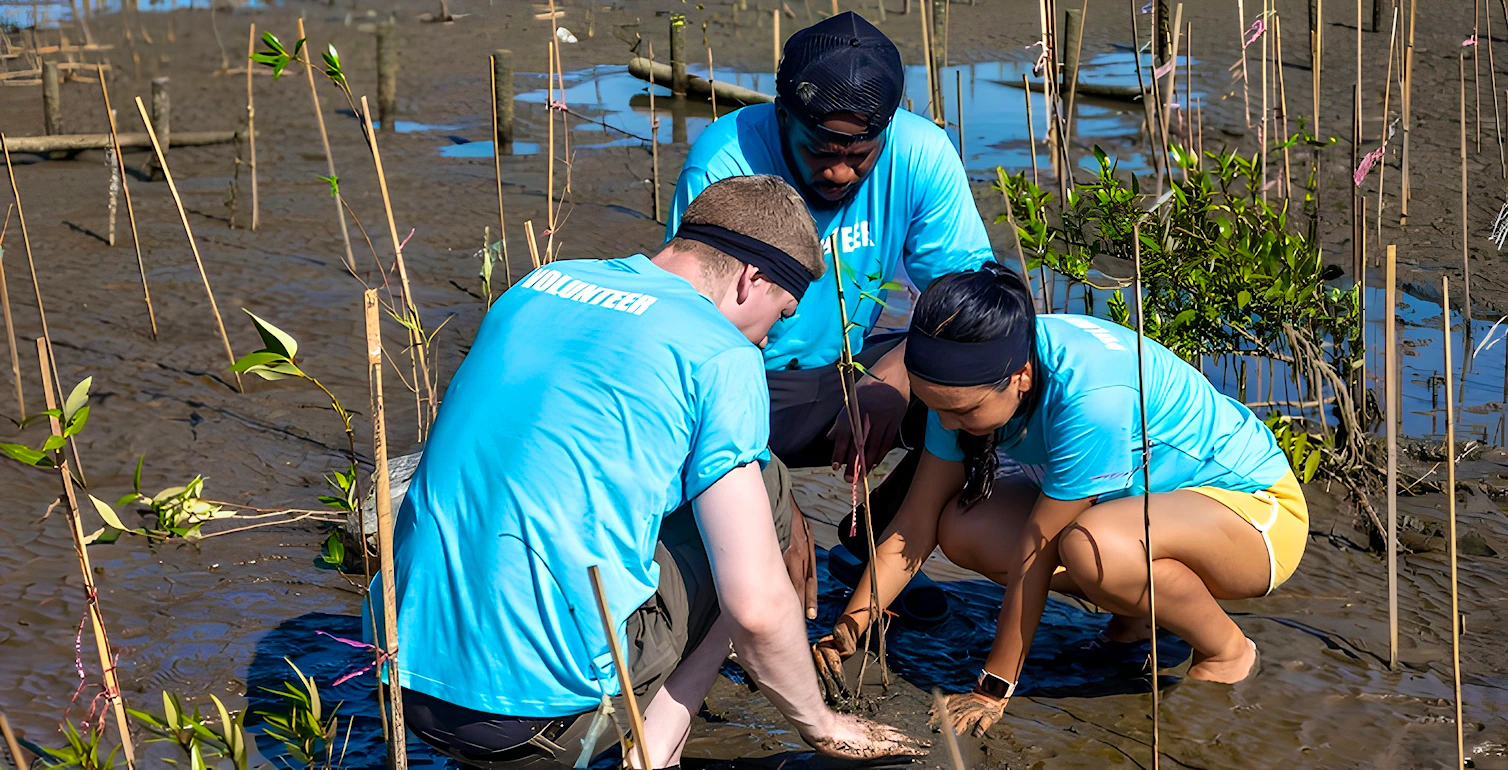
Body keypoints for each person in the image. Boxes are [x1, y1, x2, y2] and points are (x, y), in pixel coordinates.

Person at [385, 176, 924, 768]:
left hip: (405, 687)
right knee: (763, 485)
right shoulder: (723, 353)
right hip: (535, 728)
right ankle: (652, 754)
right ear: (753, 279)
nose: (769, 340)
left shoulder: (538, 284)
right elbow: (755, 608)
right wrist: (821, 726)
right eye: (781, 314)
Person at [812, 263, 1308, 737]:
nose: (944, 424)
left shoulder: (1088, 393)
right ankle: (1134, 620)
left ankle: (1226, 650)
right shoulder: (969, 380)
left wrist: (994, 686)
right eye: (933, 404)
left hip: (1255, 515)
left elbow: (1038, 544)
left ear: (1022, 377)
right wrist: (853, 624)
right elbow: (914, 522)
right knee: (965, 526)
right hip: (1148, 511)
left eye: (961, 411)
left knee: (1093, 547)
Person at [666, 12, 994, 562]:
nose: (840, 173)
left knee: (989, 384)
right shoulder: (727, 161)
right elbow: (697, 349)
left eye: (859, 156)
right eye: (822, 151)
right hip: (750, 381)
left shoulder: (922, 153)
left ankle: (878, 548)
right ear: (783, 116)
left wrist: (901, 369)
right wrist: (773, 495)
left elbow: (976, 303)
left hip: (849, 371)